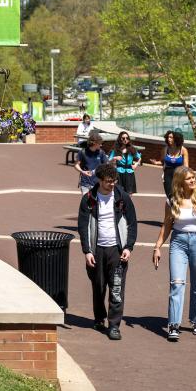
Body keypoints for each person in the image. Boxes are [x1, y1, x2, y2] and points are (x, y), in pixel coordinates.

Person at [152, 167, 196, 341]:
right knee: (177, 283)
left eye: (193, 177)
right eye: (189, 178)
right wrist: (157, 246)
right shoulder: (172, 200)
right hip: (178, 242)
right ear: (180, 181)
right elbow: (166, 225)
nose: (193, 181)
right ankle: (174, 324)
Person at [78, 163, 137, 340]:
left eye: (114, 181)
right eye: (108, 182)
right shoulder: (89, 198)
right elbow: (83, 226)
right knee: (98, 287)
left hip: (116, 250)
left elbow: (132, 223)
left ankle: (114, 325)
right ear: (99, 180)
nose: (112, 184)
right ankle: (99, 318)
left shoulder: (122, 197)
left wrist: (128, 246)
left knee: (116, 288)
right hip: (97, 250)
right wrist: (87, 251)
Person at [150, 130, 189, 198]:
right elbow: (163, 162)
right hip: (168, 173)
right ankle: (171, 207)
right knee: (169, 195)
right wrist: (156, 162)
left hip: (179, 173)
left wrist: (186, 177)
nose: (169, 139)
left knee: (179, 195)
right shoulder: (165, 149)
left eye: (171, 137)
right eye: (168, 137)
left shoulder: (183, 150)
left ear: (176, 139)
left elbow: (186, 166)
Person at [74, 129, 108, 197]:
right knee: (86, 202)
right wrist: (82, 171)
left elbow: (106, 165)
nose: (101, 145)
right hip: (85, 182)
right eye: (99, 143)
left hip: (98, 182)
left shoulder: (101, 152)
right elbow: (76, 165)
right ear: (94, 143)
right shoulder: (82, 152)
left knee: (97, 203)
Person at [109, 131, 142, 195]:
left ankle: (127, 204)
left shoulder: (132, 149)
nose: (125, 140)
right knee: (118, 192)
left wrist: (136, 164)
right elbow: (108, 161)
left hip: (129, 172)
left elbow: (139, 157)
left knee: (129, 193)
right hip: (119, 173)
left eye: (127, 138)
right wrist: (114, 158)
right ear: (120, 139)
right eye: (123, 138)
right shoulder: (116, 150)